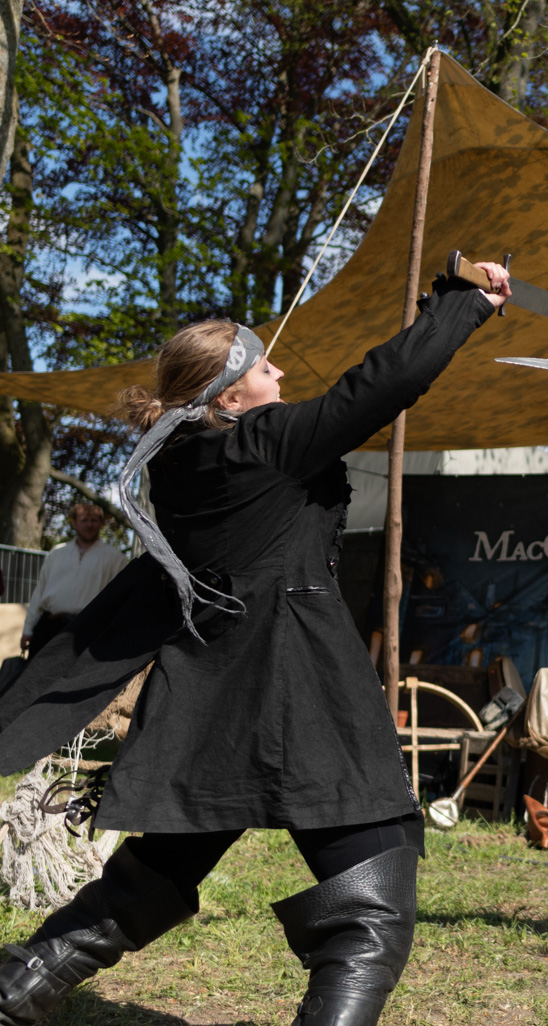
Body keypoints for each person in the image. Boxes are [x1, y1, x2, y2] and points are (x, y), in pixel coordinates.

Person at [0, 261, 512, 1026]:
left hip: (212, 696)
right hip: (296, 691)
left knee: (158, 869)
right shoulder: (262, 442)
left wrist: (444, 301)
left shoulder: (180, 460)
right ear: (230, 399)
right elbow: (383, 384)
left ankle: (15, 991)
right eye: (265, 367)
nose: (281, 373)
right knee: (371, 906)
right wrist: (465, 303)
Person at [22, 502, 128, 655]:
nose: (89, 525)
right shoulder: (56, 553)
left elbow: (120, 600)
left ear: (101, 524)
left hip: (89, 631)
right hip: (49, 627)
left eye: (94, 520)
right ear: (74, 523)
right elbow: (39, 592)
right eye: (84, 520)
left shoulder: (116, 559)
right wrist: (28, 630)